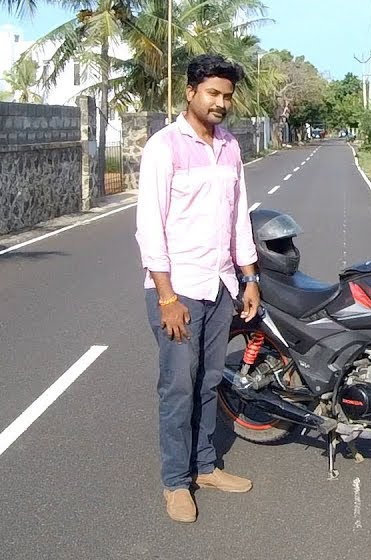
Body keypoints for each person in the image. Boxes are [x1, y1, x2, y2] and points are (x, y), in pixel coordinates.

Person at [134, 53, 262, 524]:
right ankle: (175, 482)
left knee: (210, 381)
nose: (220, 103)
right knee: (178, 388)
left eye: (227, 95)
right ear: (190, 92)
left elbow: (238, 218)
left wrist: (249, 277)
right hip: (180, 289)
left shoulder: (229, 147)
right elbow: (150, 227)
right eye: (212, 93)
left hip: (220, 284)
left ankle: (205, 466)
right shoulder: (164, 147)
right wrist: (166, 298)